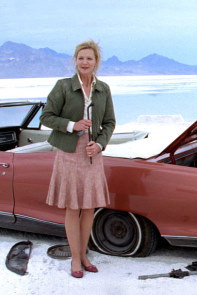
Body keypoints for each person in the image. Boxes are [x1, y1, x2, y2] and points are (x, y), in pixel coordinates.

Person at [40, 40, 116, 278]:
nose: (85, 62)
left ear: (96, 62)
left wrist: (101, 144)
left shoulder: (103, 88)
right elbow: (47, 117)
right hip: (69, 153)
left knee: (89, 207)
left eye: (89, 58)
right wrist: (72, 125)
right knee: (73, 207)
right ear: (75, 60)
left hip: (93, 153)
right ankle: (75, 258)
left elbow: (110, 122)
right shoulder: (63, 86)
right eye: (81, 58)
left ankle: (84, 254)